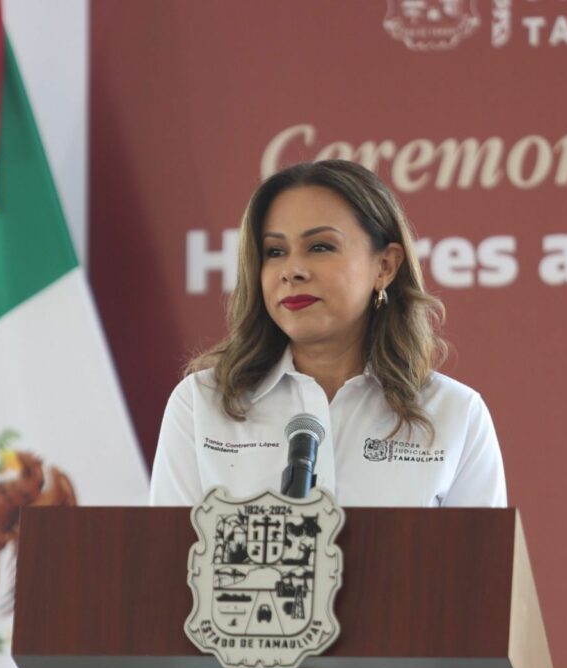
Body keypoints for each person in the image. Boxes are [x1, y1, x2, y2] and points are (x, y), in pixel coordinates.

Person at [149, 160, 506, 507]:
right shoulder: (200, 404)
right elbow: (171, 547)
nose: (292, 270)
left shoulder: (456, 413)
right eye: (275, 251)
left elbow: (479, 551)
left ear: (385, 266)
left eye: (320, 247)